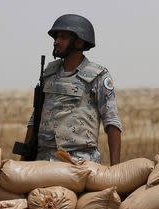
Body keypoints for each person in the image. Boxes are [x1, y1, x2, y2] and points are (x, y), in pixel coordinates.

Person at [23, 14, 122, 165]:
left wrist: (116, 169)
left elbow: (112, 122)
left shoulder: (98, 75)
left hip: (80, 161)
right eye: (55, 37)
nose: (56, 41)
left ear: (79, 42)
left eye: (62, 37)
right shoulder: (49, 73)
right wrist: (23, 161)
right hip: (43, 160)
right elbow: (35, 119)